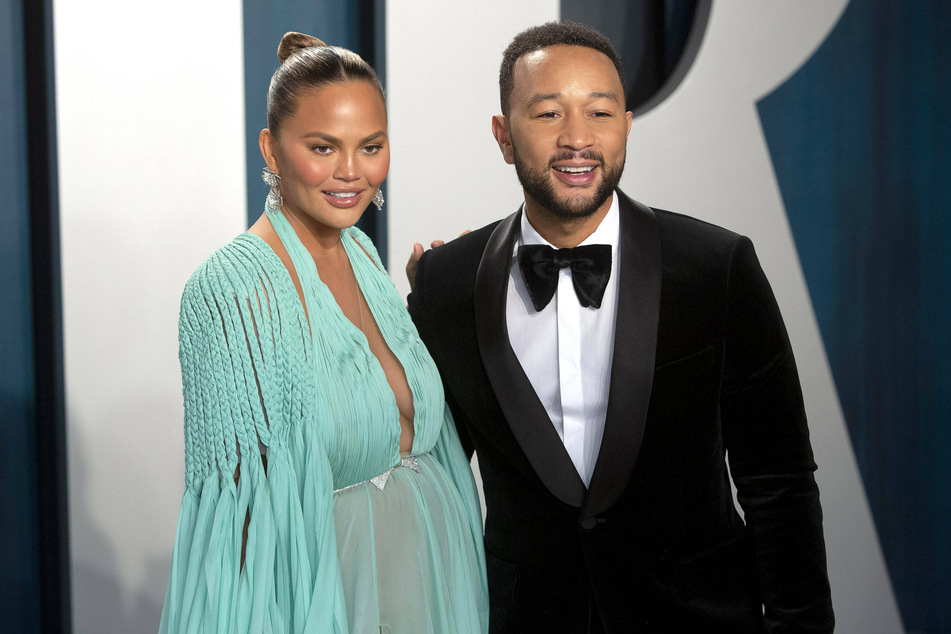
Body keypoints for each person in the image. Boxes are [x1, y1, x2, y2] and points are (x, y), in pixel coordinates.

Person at [407, 21, 834, 633]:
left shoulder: (718, 268)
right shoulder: (447, 282)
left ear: (626, 127)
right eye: (549, 113)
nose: (578, 139)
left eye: (600, 113)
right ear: (503, 136)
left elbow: (780, 484)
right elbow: (423, 468)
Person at [160, 32, 487, 634]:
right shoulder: (230, 289)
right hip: (329, 596)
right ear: (271, 147)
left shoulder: (362, 252)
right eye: (323, 146)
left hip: (432, 577)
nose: (350, 172)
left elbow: (396, 414)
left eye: (371, 146)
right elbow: (235, 522)